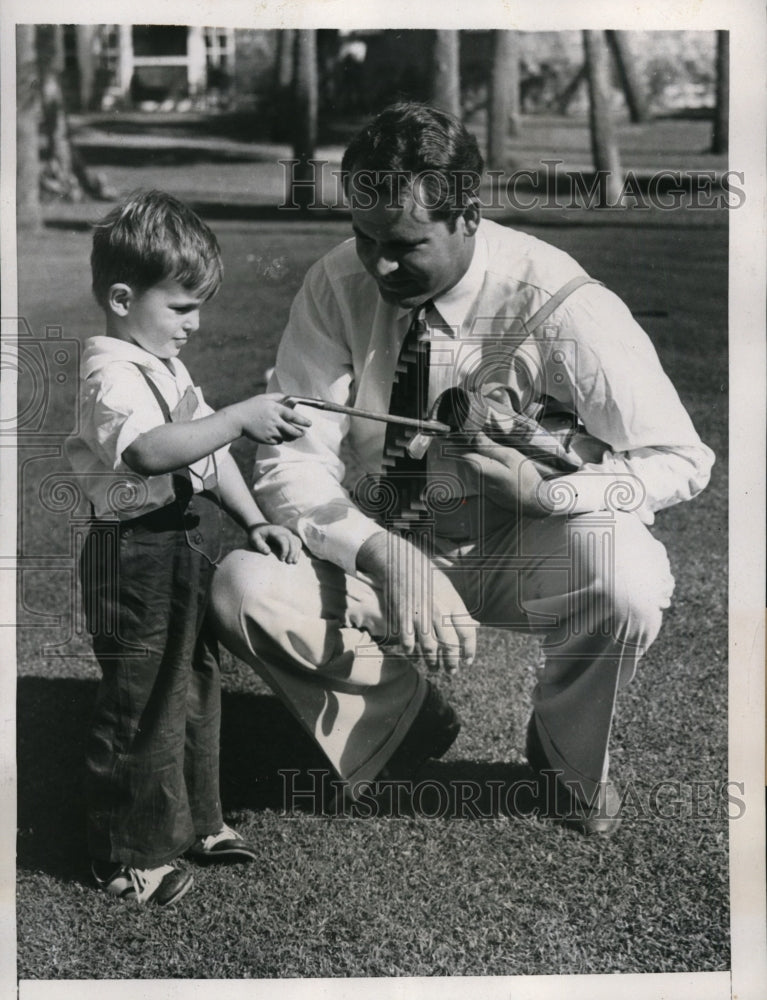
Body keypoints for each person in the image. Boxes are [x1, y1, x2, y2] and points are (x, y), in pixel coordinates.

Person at [211, 103, 714, 835]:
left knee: (626, 579)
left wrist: (552, 490)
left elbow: (679, 458)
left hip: (518, 546)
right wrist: (382, 555)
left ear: (468, 216)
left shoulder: (555, 298)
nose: (377, 265)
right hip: (382, 537)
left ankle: (563, 756)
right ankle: (399, 721)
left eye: (405, 245)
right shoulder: (335, 283)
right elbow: (292, 456)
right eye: (363, 237)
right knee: (241, 585)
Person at [65, 190, 310, 906]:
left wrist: (252, 517)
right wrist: (237, 416)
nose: (194, 324)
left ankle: (198, 821)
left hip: (177, 547)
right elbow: (149, 452)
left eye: (199, 307)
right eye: (180, 307)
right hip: (130, 556)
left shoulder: (161, 367)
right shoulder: (111, 374)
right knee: (139, 699)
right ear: (120, 296)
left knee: (195, 684)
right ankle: (127, 855)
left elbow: (205, 452)